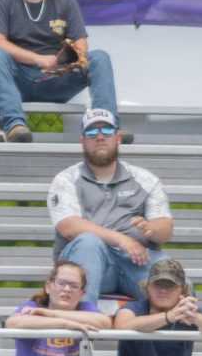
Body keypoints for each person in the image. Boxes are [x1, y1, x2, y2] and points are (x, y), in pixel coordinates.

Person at [0, 0, 115, 144]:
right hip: (20, 79)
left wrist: (70, 57)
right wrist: (37, 59)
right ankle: (15, 126)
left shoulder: (65, 0)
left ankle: (106, 127)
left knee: (99, 58)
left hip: (57, 78)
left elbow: (81, 42)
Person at [49, 110, 170, 299]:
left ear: (118, 137)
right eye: (91, 133)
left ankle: (178, 322)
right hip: (87, 266)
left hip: (135, 262)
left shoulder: (145, 179)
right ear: (82, 140)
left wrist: (151, 229)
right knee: (88, 242)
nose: (99, 137)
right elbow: (69, 227)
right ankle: (85, 316)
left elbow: (165, 230)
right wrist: (122, 240)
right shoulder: (66, 179)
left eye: (106, 131)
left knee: (172, 275)